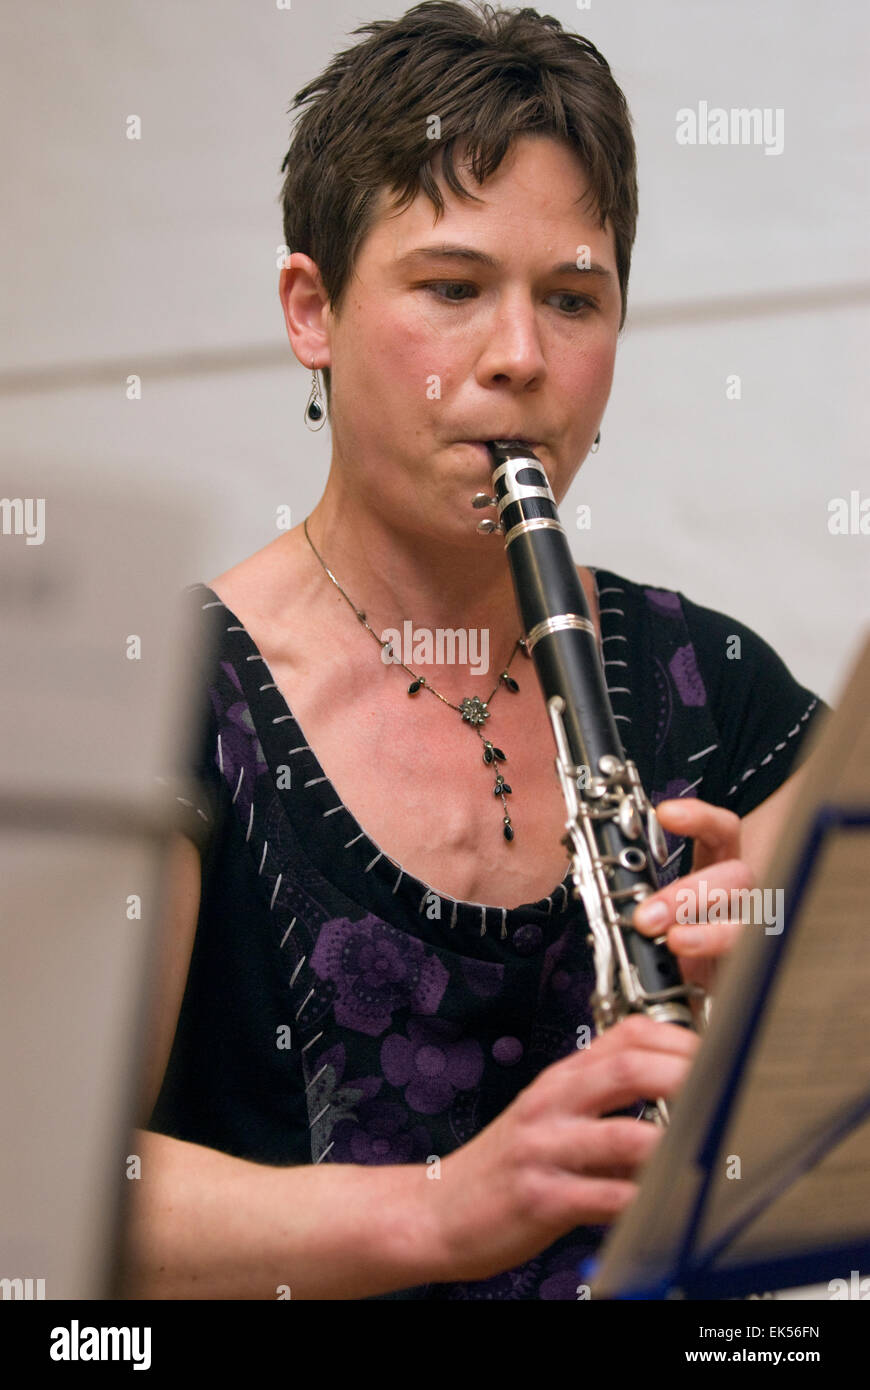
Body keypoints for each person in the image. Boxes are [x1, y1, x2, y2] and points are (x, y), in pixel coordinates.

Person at [122, 1, 827, 1300]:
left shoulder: (707, 681)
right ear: (310, 308)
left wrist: (777, 1012)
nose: (518, 359)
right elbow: (47, 1180)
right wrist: (443, 1213)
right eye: (450, 289)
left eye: (571, 298)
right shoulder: (158, 699)